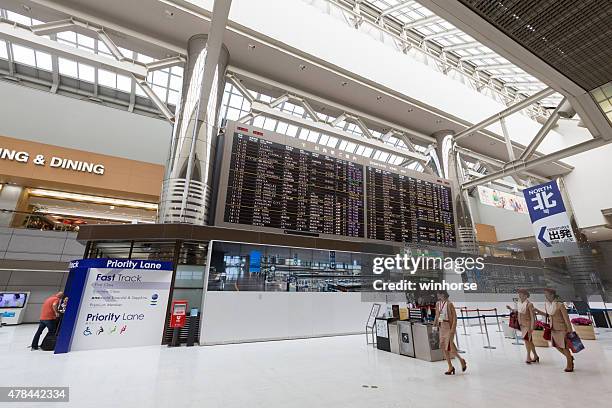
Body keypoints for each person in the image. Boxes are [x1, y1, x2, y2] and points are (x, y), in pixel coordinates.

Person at [535, 288, 575, 372]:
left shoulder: (560, 305)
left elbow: (566, 319)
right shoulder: (547, 305)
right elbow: (549, 315)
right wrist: (539, 312)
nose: (545, 296)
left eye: (547, 294)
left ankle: (569, 364)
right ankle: (570, 358)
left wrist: (569, 330)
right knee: (556, 345)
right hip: (553, 328)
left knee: (564, 347)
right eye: (545, 294)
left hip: (562, 329)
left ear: (552, 295)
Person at [433, 290, 467, 375]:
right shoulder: (438, 304)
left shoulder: (449, 304)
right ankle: (450, 366)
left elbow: (455, 317)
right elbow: (437, 316)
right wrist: (434, 325)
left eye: (438, 294)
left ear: (442, 294)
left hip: (448, 326)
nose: (437, 295)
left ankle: (461, 360)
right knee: (444, 347)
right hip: (441, 327)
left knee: (449, 347)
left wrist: (453, 329)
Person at [506, 289, 539, 364]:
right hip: (522, 325)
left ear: (525, 295)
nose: (519, 296)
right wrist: (510, 309)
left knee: (527, 340)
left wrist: (532, 327)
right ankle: (535, 355)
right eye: (519, 294)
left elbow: (532, 316)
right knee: (529, 341)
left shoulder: (529, 304)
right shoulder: (520, 304)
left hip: (528, 325)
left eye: (521, 294)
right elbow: (518, 311)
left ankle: (528, 356)